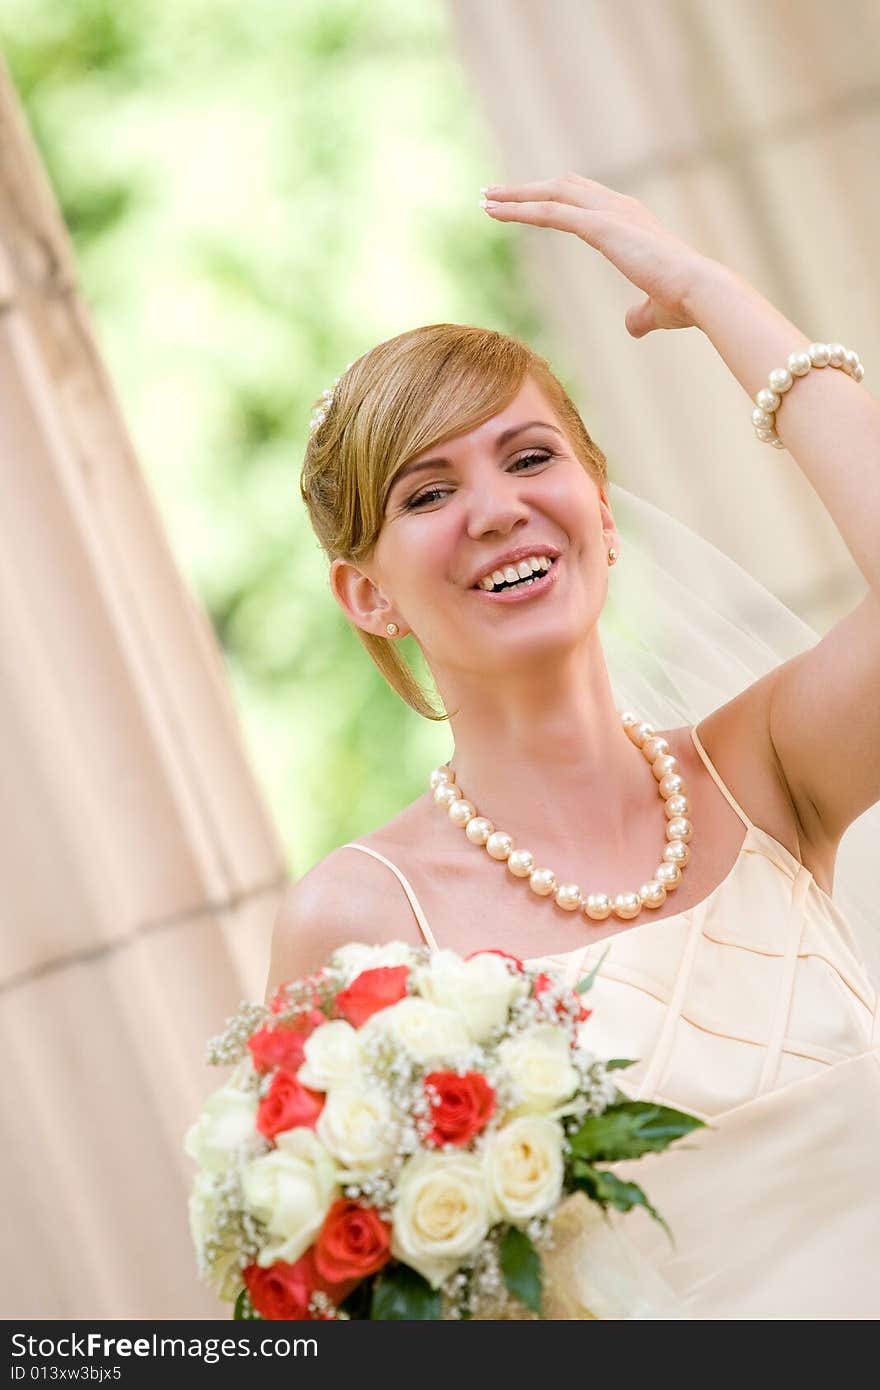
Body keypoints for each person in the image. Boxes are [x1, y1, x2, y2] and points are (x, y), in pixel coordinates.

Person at [267, 174, 880, 1318]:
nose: (497, 507)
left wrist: (710, 297)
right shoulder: (357, 922)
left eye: (531, 457)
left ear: (600, 505)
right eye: (430, 489)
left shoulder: (769, 773)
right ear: (367, 594)